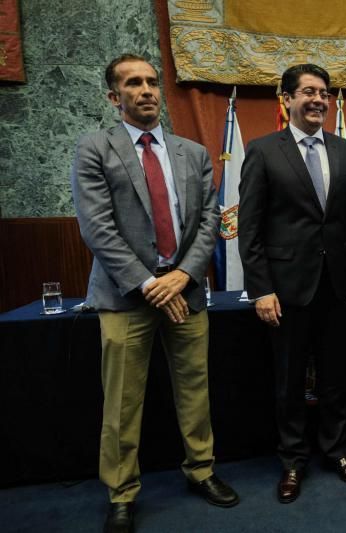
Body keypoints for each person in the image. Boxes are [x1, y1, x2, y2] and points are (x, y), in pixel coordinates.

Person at [71, 54, 238, 533]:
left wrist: (182, 276)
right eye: (132, 83)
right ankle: (122, 492)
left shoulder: (194, 152)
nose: (145, 90)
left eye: (151, 82)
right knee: (122, 401)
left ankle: (201, 470)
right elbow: (97, 228)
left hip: (185, 289)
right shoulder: (94, 149)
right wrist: (151, 285)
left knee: (195, 391)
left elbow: (209, 221)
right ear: (113, 96)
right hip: (126, 297)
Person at [237, 63, 346, 503]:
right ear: (287, 99)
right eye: (309, 92)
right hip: (285, 289)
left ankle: (337, 452)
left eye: (324, 93)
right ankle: (293, 461)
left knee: (336, 377)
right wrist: (260, 288)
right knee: (290, 380)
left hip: (336, 286)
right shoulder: (262, 150)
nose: (318, 100)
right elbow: (250, 227)